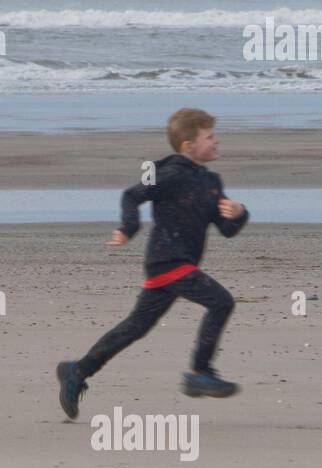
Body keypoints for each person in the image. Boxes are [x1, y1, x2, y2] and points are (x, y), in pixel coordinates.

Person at [56, 108, 250, 420]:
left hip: (178, 264)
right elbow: (132, 195)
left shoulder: (213, 182)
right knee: (221, 302)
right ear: (188, 145)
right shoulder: (168, 173)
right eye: (209, 136)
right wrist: (129, 228)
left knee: (136, 327)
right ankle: (199, 372)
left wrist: (240, 213)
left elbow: (226, 230)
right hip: (167, 259)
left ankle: (77, 371)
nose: (216, 141)